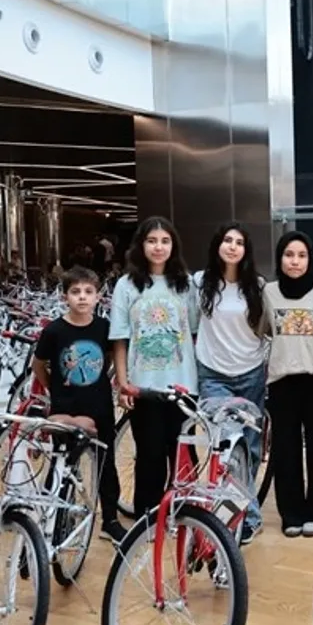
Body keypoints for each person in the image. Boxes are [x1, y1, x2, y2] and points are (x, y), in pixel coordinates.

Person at [109, 217, 199, 522]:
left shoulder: (186, 284)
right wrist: (123, 383)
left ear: (173, 246)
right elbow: (120, 338)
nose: (158, 247)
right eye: (152, 241)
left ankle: (182, 515)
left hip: (183, 385)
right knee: (149, 454)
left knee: (182, 453)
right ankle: (147, 518)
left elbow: (194, 333)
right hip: (144, 386)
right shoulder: (126, 285)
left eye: (164, 241)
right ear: (141, 245)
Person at [32, 266, 128, 543]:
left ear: (98, 297)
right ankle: (56, 517)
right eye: (75, 292)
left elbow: (111, 358)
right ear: (65, 296)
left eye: (88, 291)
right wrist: (53, 389)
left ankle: (110, 519)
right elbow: (38, 365)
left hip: (99, 406)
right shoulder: (54, 330)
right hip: (65, 408)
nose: (82, 297)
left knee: (105, 463)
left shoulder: (104, 328)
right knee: (62, 462)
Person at [194, 222, 270, 545]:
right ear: (217, 245)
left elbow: (266, 328)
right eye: (227, 240)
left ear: (246, 250)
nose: (233, 246)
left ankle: (235, 513)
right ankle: (248, 518)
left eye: (239, 242)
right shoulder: (200, 282)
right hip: (213, 374)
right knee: (226, 445)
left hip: (251, 373)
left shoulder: (258, 286)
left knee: (249, 448)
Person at [264, 231, 313, 538]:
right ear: (280, 258)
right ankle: (291, 512)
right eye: (288, 255)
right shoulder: (268, 292)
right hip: (282, 380)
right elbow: (262, 330)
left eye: (301, 255)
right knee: (286, 448)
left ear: (310, 259)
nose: (294, 262)